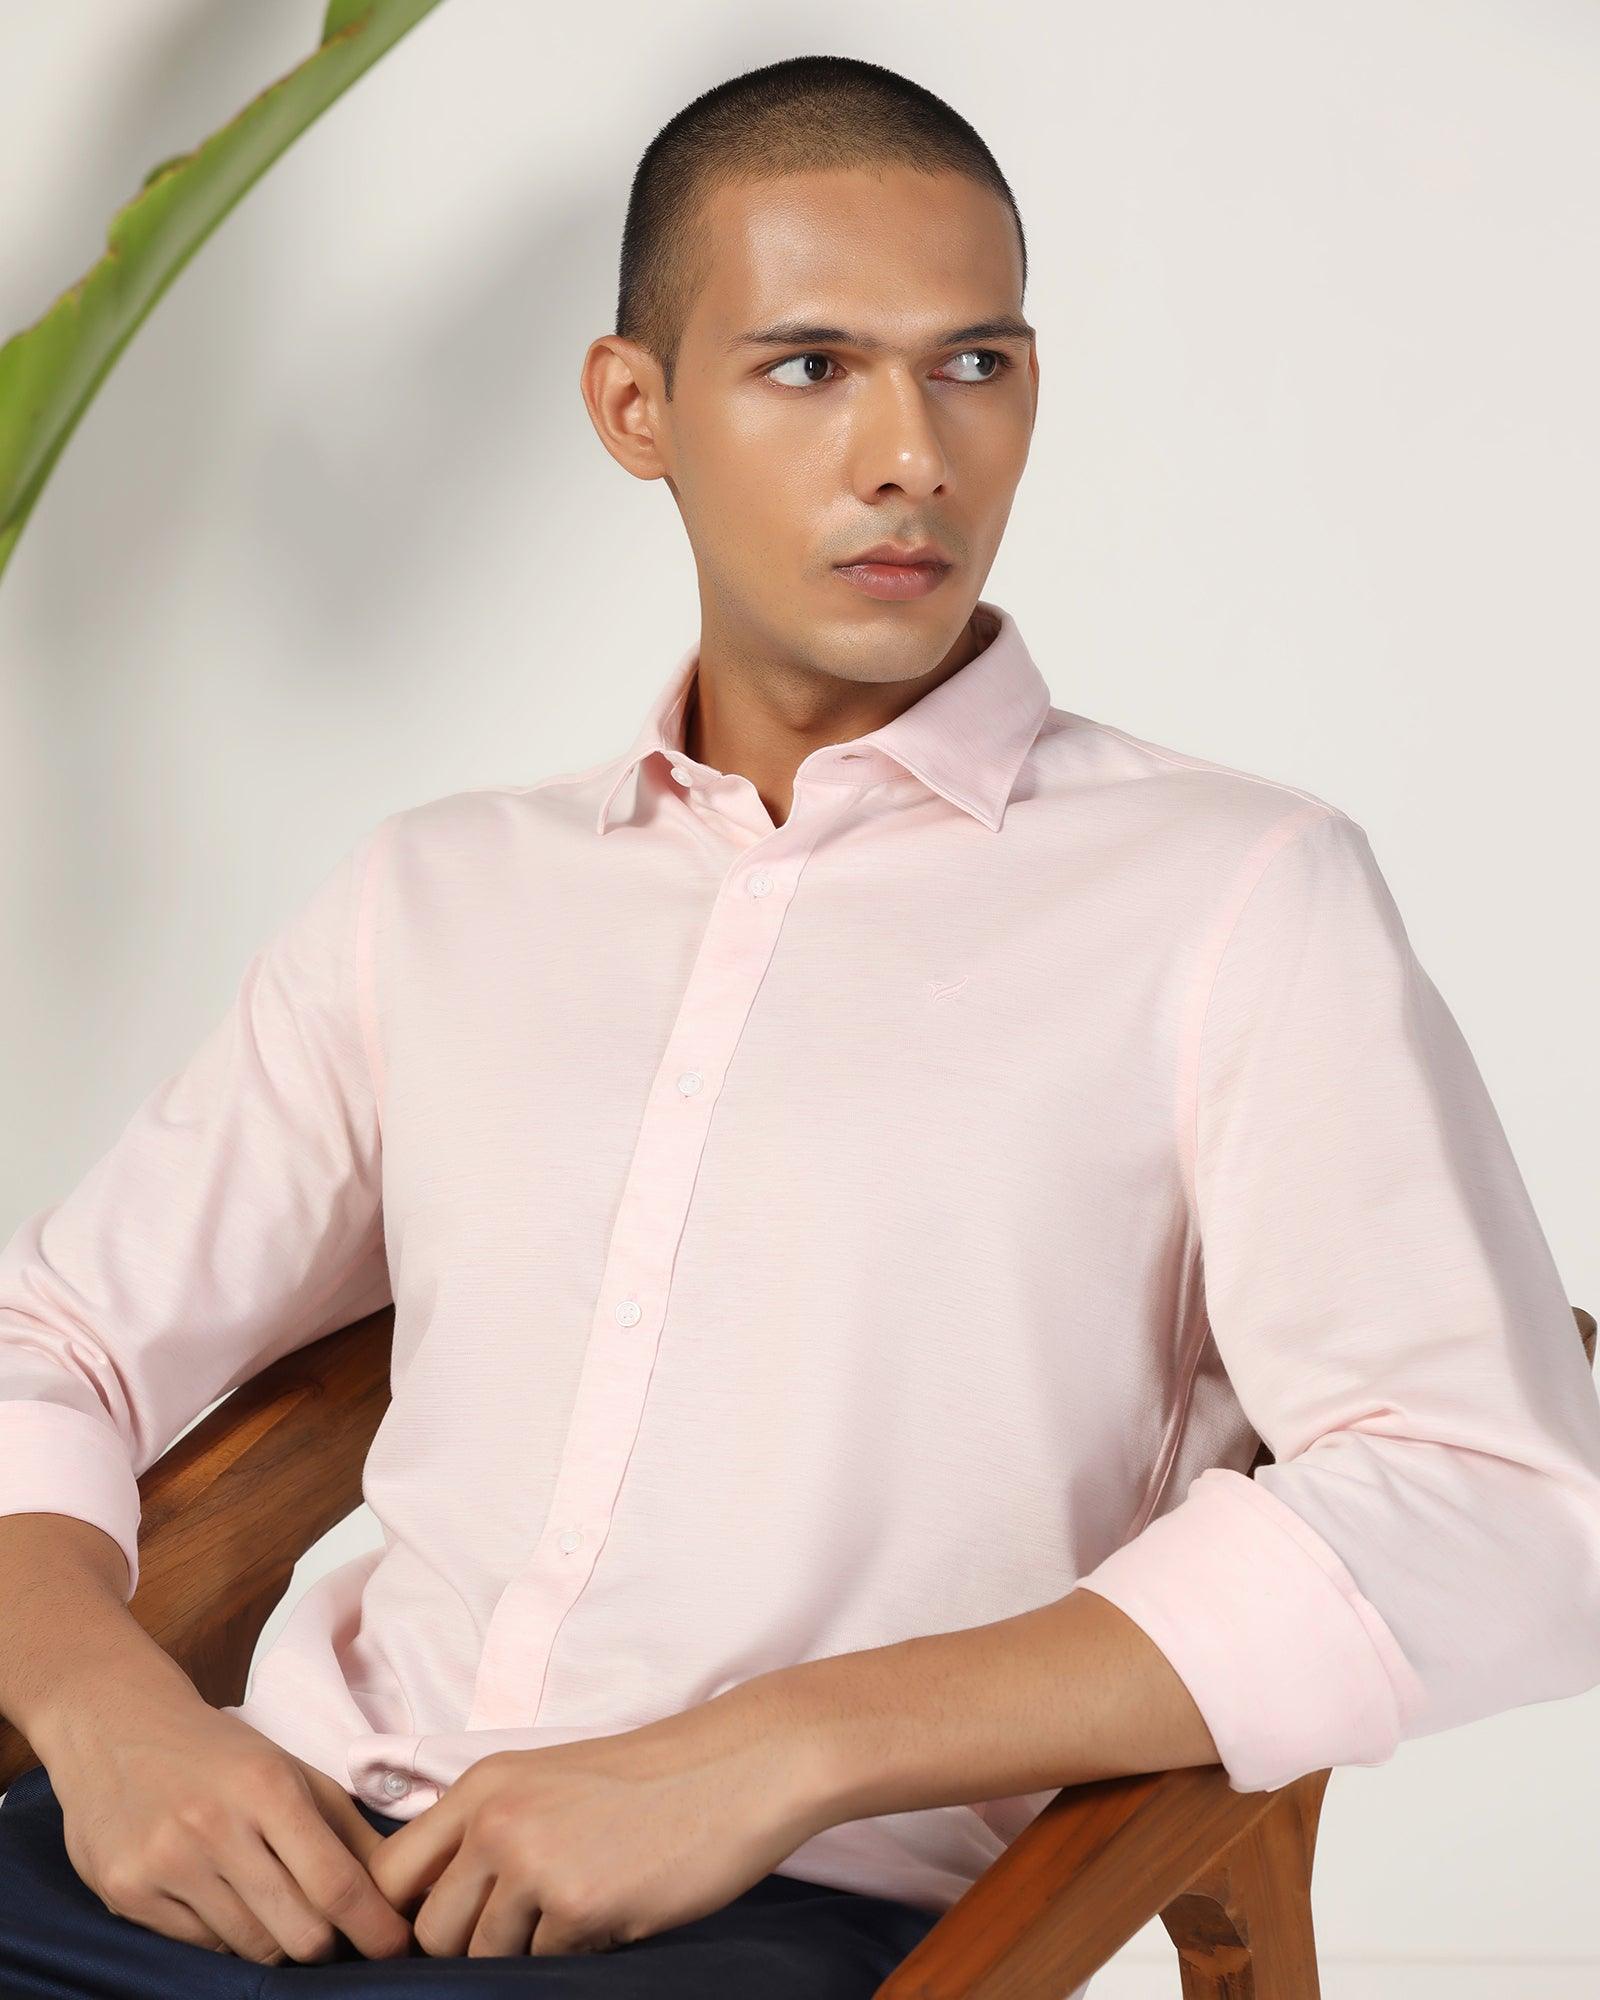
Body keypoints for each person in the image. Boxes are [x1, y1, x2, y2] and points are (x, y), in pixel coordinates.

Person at [2, 47, 1598, 1999]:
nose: (910, 454)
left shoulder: (1237, 896)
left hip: (760, 1918)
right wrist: (108, 1714)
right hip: (268, 1846)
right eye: (810, 365)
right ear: (636, 407)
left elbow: (1494, 1502)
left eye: (972, 363)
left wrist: (772, 1751)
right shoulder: (437, 897)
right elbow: (53, 1337)